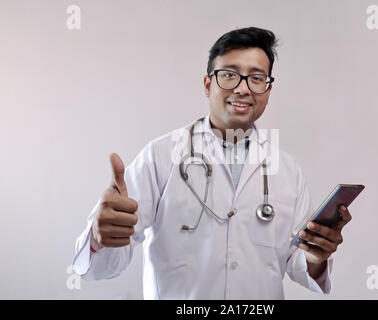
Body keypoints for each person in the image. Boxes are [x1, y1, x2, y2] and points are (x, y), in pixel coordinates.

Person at [72, 27, 352, 299]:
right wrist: (101, 237)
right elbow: (102, 266)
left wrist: (316, 255)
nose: (243, 89)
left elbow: (299, 264)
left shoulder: (288, 171)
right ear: (208, 85)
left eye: (256, 78)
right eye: (229, 75)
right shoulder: (160, 156)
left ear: (267, 89)